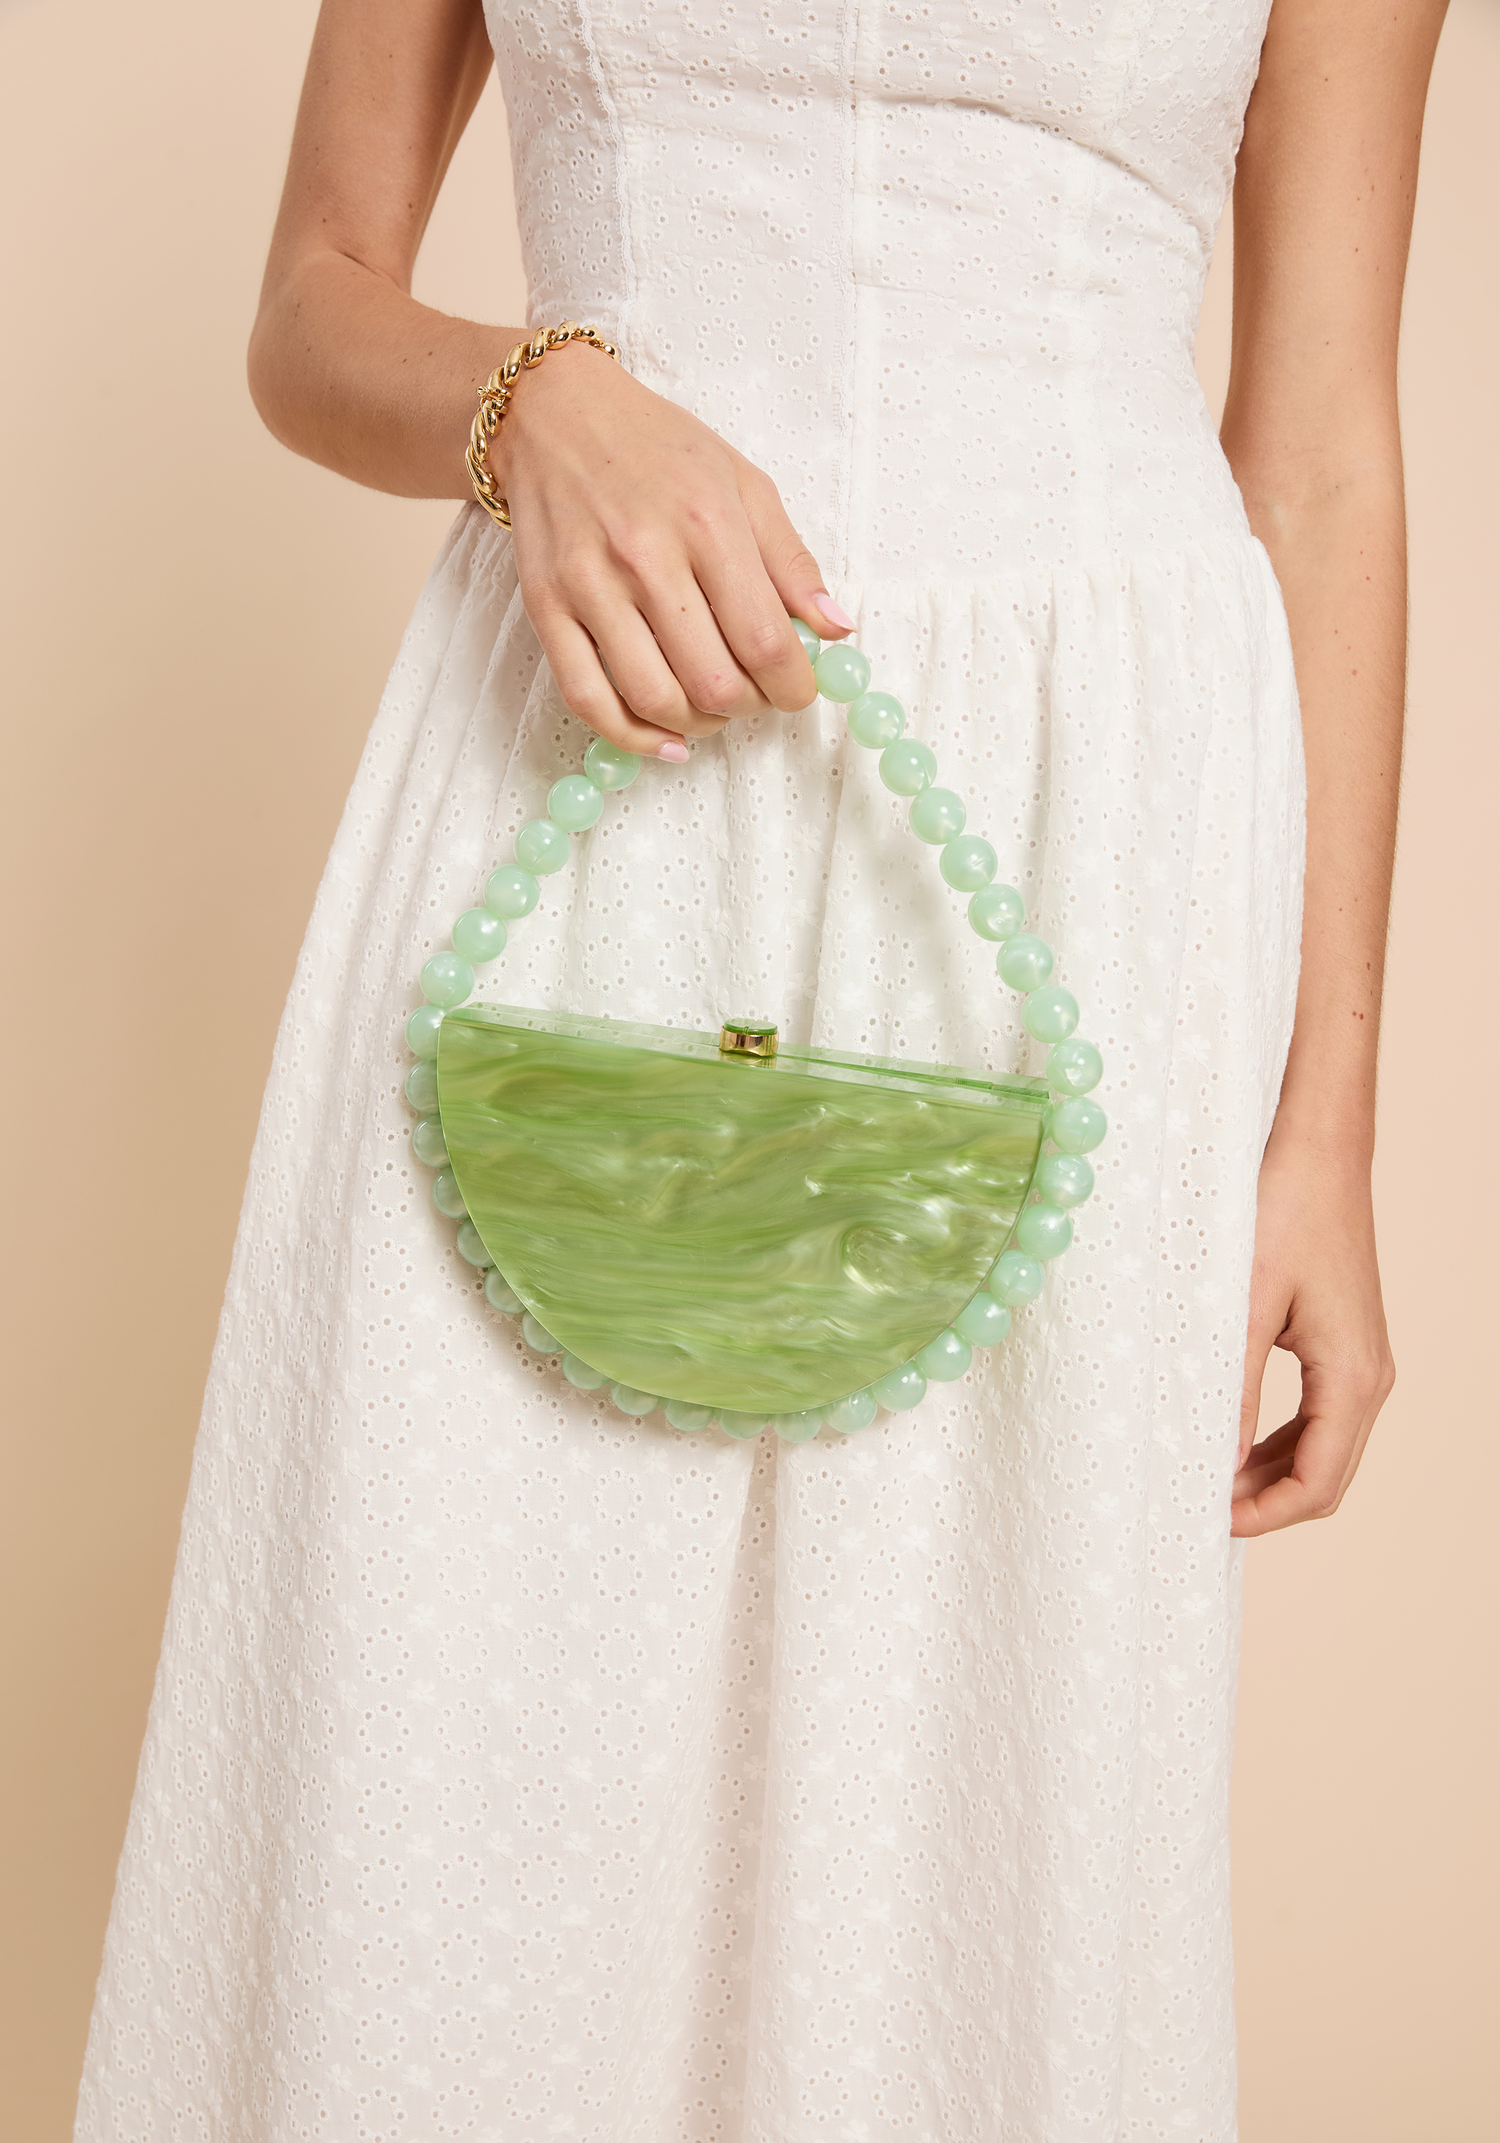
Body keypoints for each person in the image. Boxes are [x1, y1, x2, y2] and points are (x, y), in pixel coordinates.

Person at [76, 0, 1445, 2134]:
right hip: (583, 745)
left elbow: (1325, 443)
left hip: (1092, 832)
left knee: (975, 1790)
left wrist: (1325, 1132)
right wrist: (535, 401)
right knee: (448, 1748)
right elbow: (312, 308)